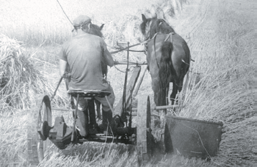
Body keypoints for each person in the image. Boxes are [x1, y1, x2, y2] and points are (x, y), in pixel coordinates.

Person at [59, 15, 115, 136]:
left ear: (75, 28)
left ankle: (83, 130)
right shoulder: (99, 40)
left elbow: (62, 72)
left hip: (76, 89)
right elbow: (110, 63)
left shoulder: (65, 45)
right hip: (99, 88)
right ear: (88, 26)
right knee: (109, 100)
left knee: (80, 105)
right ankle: (107, 128)